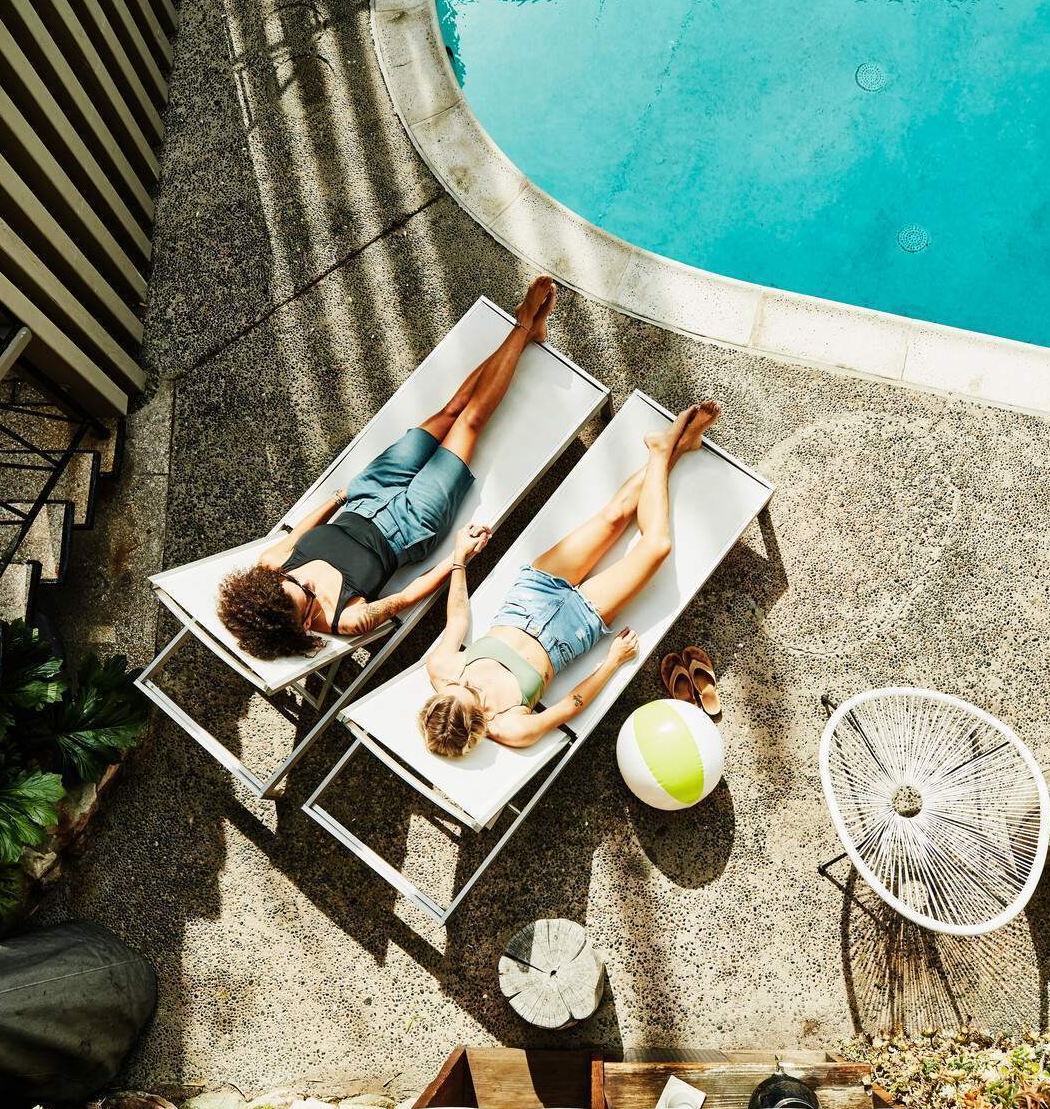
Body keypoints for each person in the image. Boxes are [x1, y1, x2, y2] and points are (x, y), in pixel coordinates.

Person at [216, 277, 558, 659]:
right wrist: (460, 556)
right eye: (307, 596)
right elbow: (408, 595)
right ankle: (524, 323)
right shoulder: (344, 619)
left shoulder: (272, 567)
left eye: (294, 583)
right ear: (304, 624)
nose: (306, 582)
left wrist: (341, 495)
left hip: (367, 494)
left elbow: (300, 533)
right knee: (470, 422)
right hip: (412, 523)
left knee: (451, 410)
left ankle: (526, 332)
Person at [417, 399, 721, 754]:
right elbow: (570, 704)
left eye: (463, 685)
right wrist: (612, 661)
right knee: (657, 547)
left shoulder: (441, 668)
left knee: (613, 516)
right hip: (575, 627)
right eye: (475, 698)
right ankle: (666, 449)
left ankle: (674, 448)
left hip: (531, 595)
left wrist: (459, 560)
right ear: (479, 726)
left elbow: (457, 619)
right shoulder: (512, 727)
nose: (472, 685)